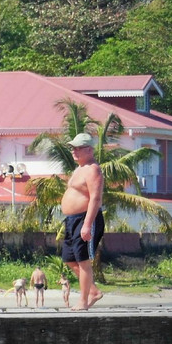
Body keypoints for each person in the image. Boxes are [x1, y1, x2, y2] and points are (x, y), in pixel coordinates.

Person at [61, 133, 105, 311]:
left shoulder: (93, 169)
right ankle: (93, 291)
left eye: (78, 148)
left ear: (89, 149)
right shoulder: (78, 169)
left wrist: (87, 224)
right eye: (73, 148)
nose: (74, 151)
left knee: (83, 261)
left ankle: (83, 301)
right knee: (69, 259)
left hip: (86, 218)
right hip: (71, 220)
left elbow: (95, 198)